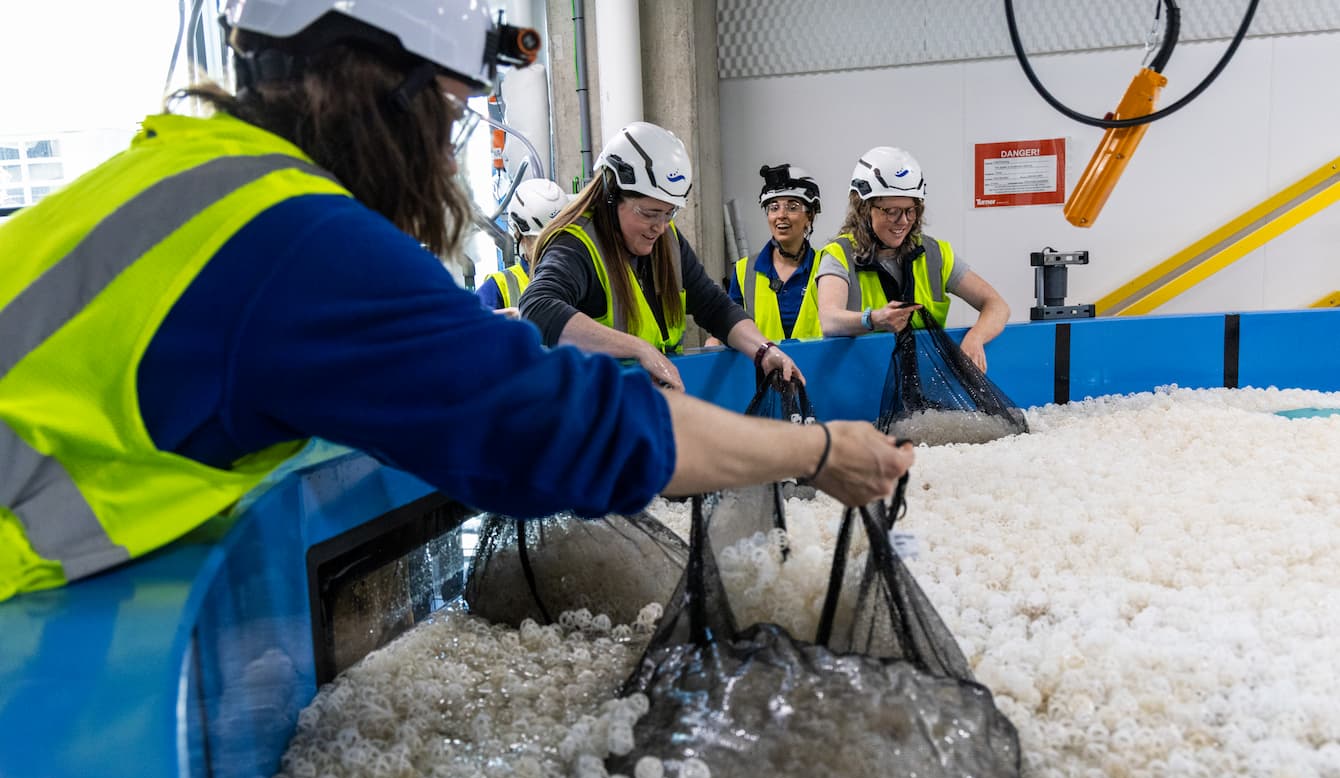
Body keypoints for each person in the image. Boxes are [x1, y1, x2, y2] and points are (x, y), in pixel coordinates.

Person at [0, 0, 914, 601]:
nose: (444, 157)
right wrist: (817, 449)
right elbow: (555, 419)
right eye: (443, 115)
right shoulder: (295, 241)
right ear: (374, 89)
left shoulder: (187, 176)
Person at [519, 122, 804, 392]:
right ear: (610, 194)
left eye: (669, 213)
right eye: (649, 213)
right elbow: (538, 308)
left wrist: (764, 350)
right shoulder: (576, 246)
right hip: (597, 419)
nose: (660, 226)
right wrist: (639, 349)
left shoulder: (667, 241)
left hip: (650, 410)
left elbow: (713, 305)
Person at [816, 146, 1010, 372]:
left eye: (911, 210)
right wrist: (875, 319)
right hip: (855, 383)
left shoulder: (934, 253)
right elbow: (829, 320)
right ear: (863, 209)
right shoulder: (839, 255)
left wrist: (976, 337)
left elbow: (997, 306)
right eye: (891, 211)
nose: (903, 221)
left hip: (923, 386)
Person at [728, 163, 824, 342]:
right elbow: (730, 326)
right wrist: (715, 340)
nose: (781, 215)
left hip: (818, 368)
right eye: (774, 207)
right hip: (763, 369)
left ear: (809, 216)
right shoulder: (745, 271)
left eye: (792, 207)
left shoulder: (827, 266)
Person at [476, 177, 569, 315]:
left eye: (559, 239)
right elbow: (465, 327)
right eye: (541, 241)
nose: (553, 249)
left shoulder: (581, 277)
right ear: (518, 234)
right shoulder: (499, 286)